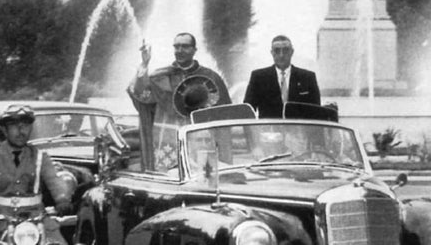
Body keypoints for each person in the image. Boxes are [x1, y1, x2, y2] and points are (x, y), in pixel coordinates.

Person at [0, 105, 73, 245]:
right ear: (5, 130)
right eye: (14, 126)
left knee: (58, 243)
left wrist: (62, 200)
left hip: (36, 217)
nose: (21, 131)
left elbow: (54, 179)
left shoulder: (41, 157)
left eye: (25, 126)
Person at [127, 32, 231, 172]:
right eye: (176, 47)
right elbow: (140, 94)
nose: (180, 50)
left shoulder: (211, 77)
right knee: (167, 177)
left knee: (203, 177)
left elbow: (224, 114)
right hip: (167, 138)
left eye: (185, 46)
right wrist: (144, 64)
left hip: (199, 139)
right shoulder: (161, 76)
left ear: (194, 50)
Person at [243, 35, 321, 118]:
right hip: (269, 129)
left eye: (286, 50)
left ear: (292, 52)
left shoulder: (307, 78)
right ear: (272, 53)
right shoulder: (258, 77)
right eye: (277, 51)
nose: (281, 55)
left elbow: (316, 111)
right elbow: (247, 110)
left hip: (299, 129)